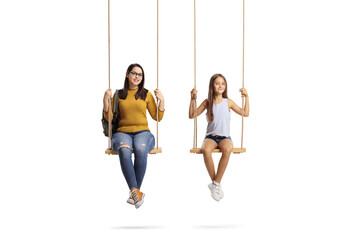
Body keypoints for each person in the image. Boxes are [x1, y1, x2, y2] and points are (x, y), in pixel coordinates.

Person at [103, 63, 165, 209]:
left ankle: (134, 192)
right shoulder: (119, 94)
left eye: (140, 74)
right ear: (127, 74)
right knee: (124, 150)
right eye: (134, 73)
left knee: (140, 149)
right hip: (122, 132)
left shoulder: (146, 94)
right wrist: (105, 100)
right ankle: (136, 192)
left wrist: (162, 100)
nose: (137, 76)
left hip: (143, 132)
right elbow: (109, 118)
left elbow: (157, 117)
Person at [189, 73, 249, 201]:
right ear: (212, 86)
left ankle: (215, 184)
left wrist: (246, 96)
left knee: (228, 149)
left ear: (225, 86)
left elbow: (245, 113)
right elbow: (192, 115)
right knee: (206, 150)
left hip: (225, 137)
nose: (220, 86)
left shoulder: (228, 102)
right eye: (217, 83)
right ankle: (215, 184)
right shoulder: (207, 102)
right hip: (210, 137)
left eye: (223, 83)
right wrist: (192, 99)